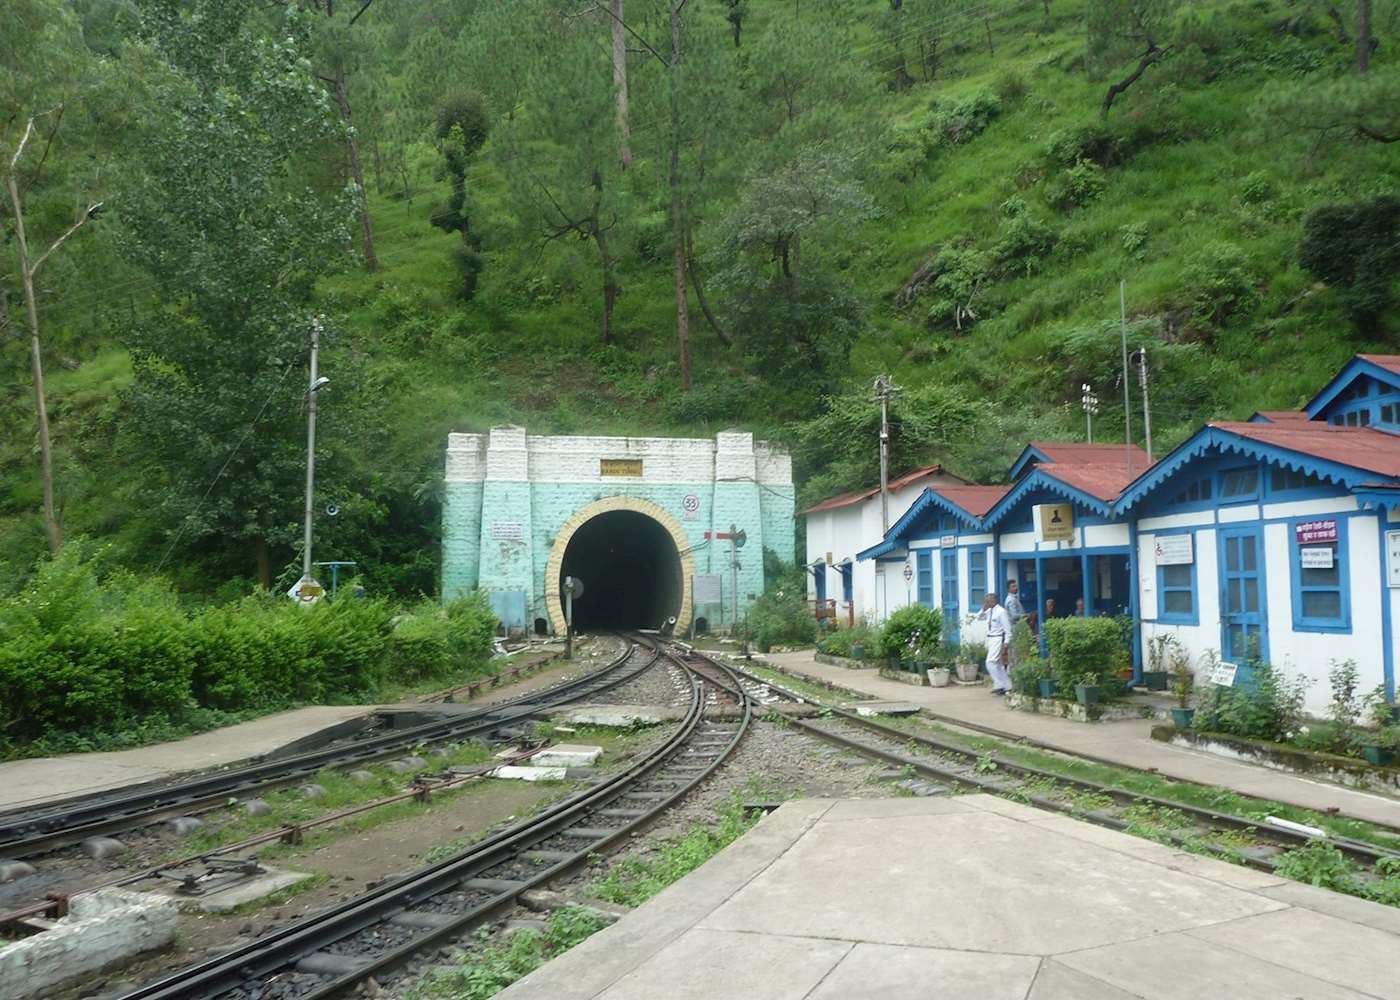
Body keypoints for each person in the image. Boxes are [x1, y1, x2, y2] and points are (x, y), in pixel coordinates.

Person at [974, 592, 1012, 695]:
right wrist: (983, 609)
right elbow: (979, 618)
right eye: (986, 601)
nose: (986, 602)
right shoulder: (989, 611)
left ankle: (999, 684)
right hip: (990, 638)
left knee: (990, 662)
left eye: (988, 601)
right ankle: (1008, 685)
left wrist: (1006, 642)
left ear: (993, 600)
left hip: (998, 638)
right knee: (998, 664)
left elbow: (1007, 629)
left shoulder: (1001, 612)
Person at [1004, 581, 1025, 667]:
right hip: (1014, 627)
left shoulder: (1013, 598)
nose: (1016, 588)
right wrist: (1026, 615)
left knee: (1015, 650)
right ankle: (1014, 669)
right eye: (1013, 586)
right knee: (1015, 651)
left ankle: (1013, 669)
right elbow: (1014, 616)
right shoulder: (1011, 600)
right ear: (1008, 589)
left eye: (1016, 586)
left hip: (1015, 627)